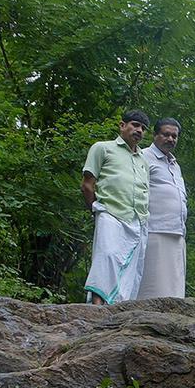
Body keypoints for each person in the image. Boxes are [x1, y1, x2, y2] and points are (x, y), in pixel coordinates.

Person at [81, 109, 151, 305]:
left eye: (143, 128)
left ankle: (118, 311)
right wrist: (95, 208)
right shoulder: (102, 148)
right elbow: (87, 184)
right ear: (122, 125)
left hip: (138, 219)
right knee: (107, 256)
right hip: (109, 212)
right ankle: (96, 308)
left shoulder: (143, 160)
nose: (139, 131)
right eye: (135, 125)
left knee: (131, 269)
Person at [136, 118, 188, 299]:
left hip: (177, 230)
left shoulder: (175, 164)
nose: (171, 139)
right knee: (153, 282)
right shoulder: (143, 157)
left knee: (174, 283)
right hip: (154, 229)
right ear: (155, 135)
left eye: (174, 136)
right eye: (166, 134)